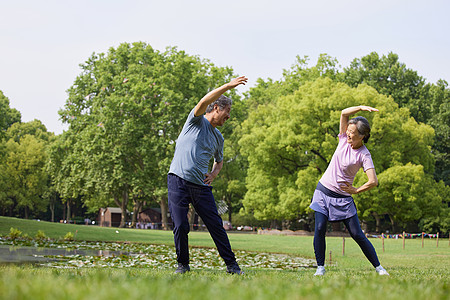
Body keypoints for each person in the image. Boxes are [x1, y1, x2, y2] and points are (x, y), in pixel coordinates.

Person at [167, 76, 248, 274]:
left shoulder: (218, 137)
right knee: (181, 225)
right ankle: (183, 265)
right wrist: (228, 86)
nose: (228, 118)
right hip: (177, 180)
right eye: (227, 113)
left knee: (216, 226)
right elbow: (203, 101)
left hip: (201, 187)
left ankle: (232, 266)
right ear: (217, 108)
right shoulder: (195, 121)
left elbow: (219, 161)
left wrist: (213, 174)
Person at [309, 105, 389, 276]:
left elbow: (373, 181)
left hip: (343, 198)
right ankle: (320, 268)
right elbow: (344, 113)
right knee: (320, 227)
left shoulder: (364, 155)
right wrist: (361, 108)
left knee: (357, 234)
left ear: (363, 136)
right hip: (323, 191)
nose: (349, 134)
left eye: (353, 132)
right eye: (348, 130)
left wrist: (356, 190)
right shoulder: (343, 140)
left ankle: (379, 268)